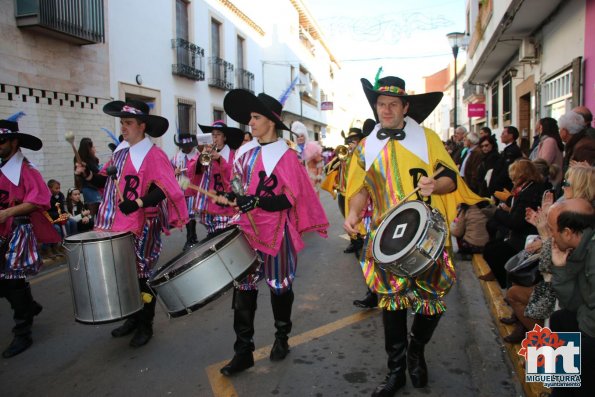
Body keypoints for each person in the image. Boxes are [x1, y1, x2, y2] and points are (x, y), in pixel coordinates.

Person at [344, 74, 483, 396]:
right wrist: (352, 213)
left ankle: (417, 347)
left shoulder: (427, 138)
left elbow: (449, 177)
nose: (387, 109)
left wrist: (437, 185)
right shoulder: (366, 147)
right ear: (375, 107)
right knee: (390, 302)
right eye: (382, 104)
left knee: (431, 299)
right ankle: (396, 370)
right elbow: (360, 190)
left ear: (405, 107)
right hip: (384, 238)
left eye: (394, 104)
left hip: (427, 234)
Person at [217, 89, 328, 376]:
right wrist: (234, 195)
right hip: (247, 231)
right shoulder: (244, 152)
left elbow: (290, 199)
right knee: (243, 291)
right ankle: (243, 351)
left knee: (280, 288)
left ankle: (281, 338)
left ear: (270, 121)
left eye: (255, 117)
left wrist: (258, 201)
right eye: (250, 118)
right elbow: (236, 184)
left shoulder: (288, 157)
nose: (250, 123)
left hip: (277, 233)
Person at [75, 99, 188, 348]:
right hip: (117, 224)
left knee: (142, 276)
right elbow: (105, 183)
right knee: (123, 275)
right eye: (122, 123)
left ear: (142, 126)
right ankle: (132, 318)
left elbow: (165, 189)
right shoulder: (119, 152)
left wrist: (137, 202)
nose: (123, 127)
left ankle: (145, 324)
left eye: (128, 123)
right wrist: (88, 175)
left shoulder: (154, 155)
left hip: (143, 224)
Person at [0, 116, 60, 358]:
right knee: (6, 283)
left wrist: (8, 213)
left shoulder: (27, 170)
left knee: (12, 280)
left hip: (18, 232)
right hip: (3, 230)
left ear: (14, 142)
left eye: (2, 140)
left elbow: (40, 200)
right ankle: (28, 305)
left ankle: (22, 331)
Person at [548, 198, 595, 396]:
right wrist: (560, 269)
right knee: (560, 319)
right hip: (587, 318)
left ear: (567, 232)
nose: (549, 235)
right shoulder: (582, 247)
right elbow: (574, 302)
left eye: (551, 229)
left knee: (571, 356)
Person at [195, 121, 243, 242]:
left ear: (225, 137)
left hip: (225, 204)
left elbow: (235, 178)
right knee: (213, 238)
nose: (215, 137)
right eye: (213, 134)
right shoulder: (208, 152)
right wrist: (202, 156)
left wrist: (220, 159)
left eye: (218, 134)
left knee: (223, 238)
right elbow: (197, 173)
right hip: (210, 204)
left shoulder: (234, 155)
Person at [171, 132, 200, 250]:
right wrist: (174, 172)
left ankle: (191, 237)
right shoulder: (176, 157)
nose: (186, 148)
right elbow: (169, 171)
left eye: (188, 146)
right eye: (184, 146)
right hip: (182, 189)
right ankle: (191, 237)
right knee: (186, 215)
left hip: (193, 188)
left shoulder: (197, 156)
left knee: (191, 215)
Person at [488, 126, 522, 199]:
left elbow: (507, 169)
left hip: (504, 187)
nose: (501, 136)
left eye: (503, 133)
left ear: (510, 136)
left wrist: (497, 183)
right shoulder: (507, 150)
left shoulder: (512, 151)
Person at [533, 117, 563, 184]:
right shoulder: (549, 140)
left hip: (550, 180)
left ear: (542, 127)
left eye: (539, 126)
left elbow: (544, 163)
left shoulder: (549, 141)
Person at [76, 137, 102, 216]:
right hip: (89, 187)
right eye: (91, 147)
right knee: (92, 210)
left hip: (96, 187)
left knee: (99, 210)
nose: (93, 148)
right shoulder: (81, 160)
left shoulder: (92, 159)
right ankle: (92, 225)